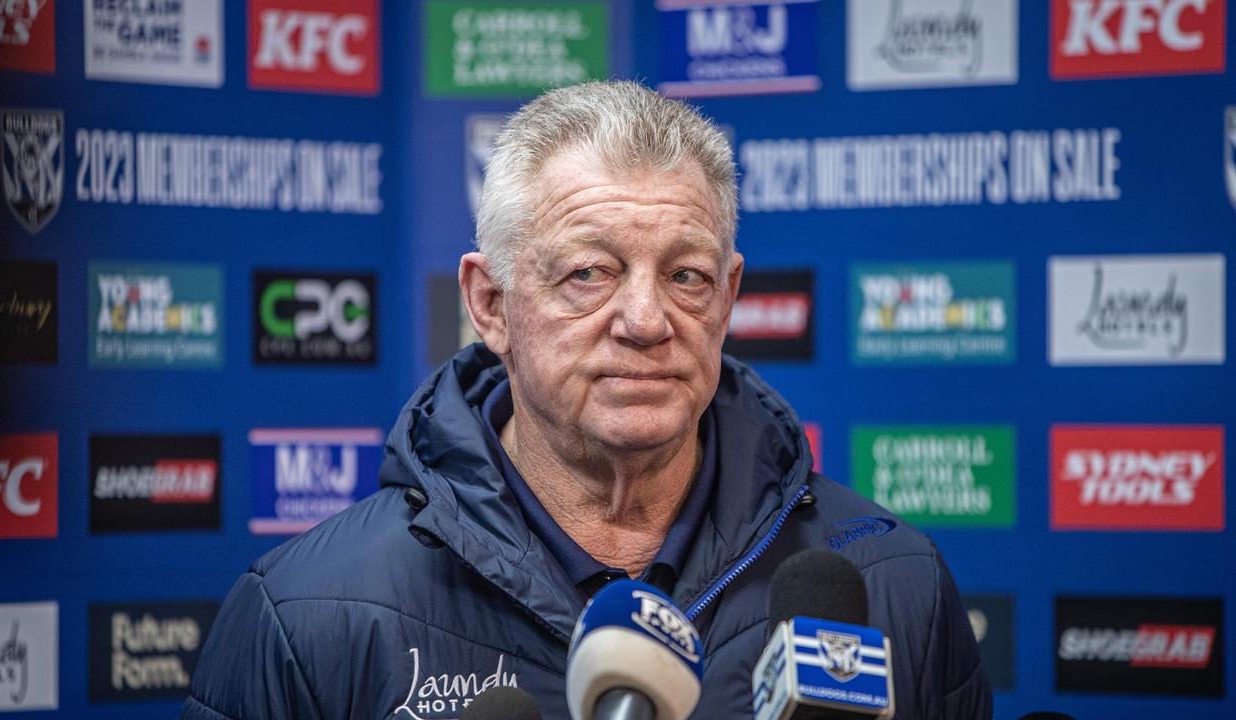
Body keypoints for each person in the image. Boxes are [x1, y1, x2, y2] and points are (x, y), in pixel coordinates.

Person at [183, 80, 991, 720]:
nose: (646, 321)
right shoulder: (305, 616)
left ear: (728, 297)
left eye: (686, 276)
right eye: (588, 273)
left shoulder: (892, 585)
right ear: (491, 304)